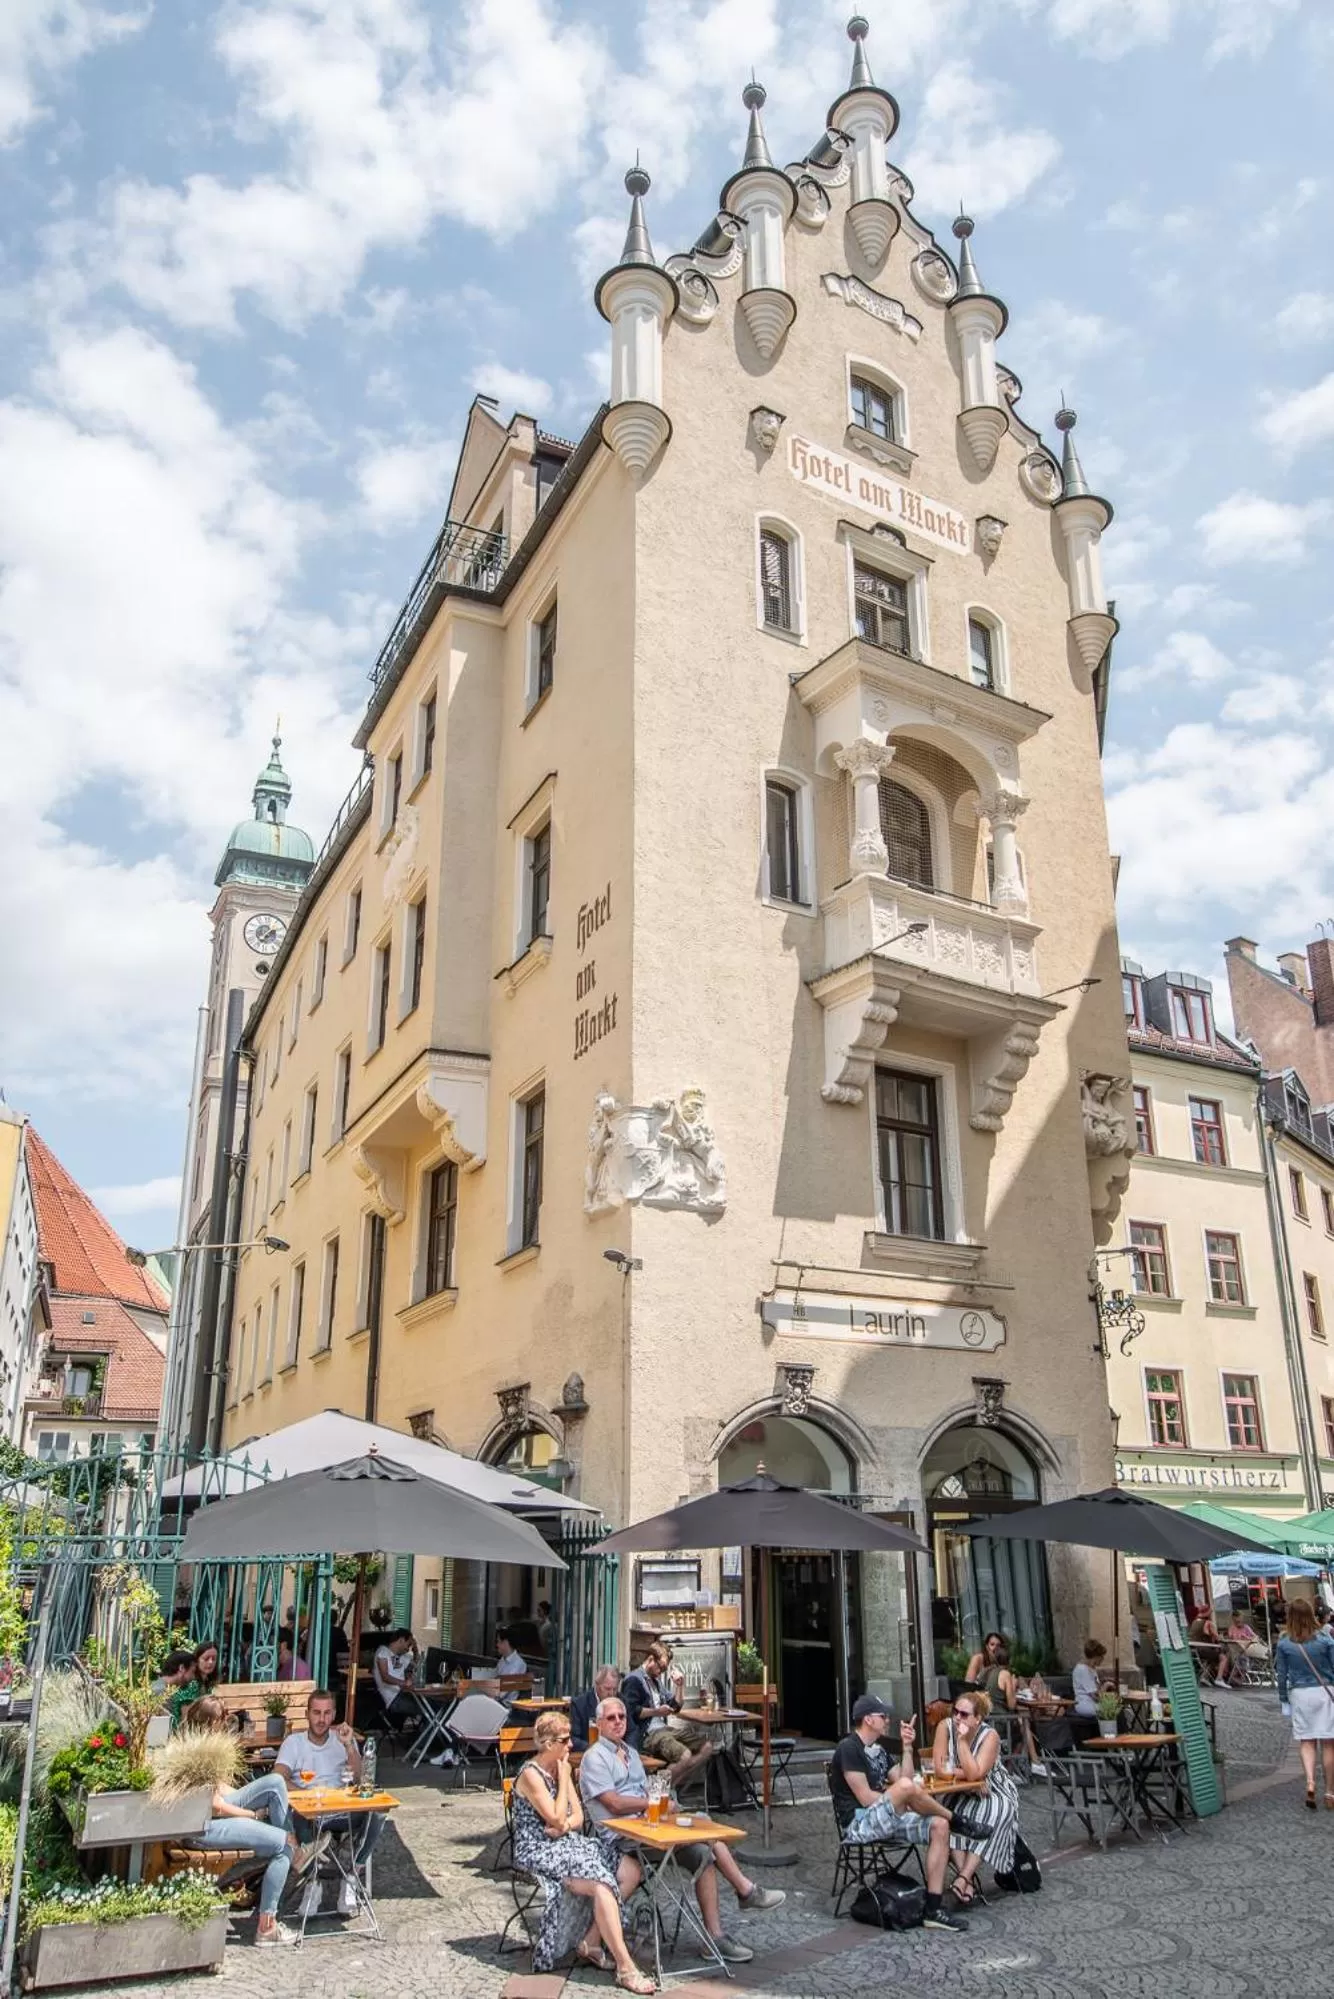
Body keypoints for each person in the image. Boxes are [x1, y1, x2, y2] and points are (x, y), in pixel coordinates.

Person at [580, 1694, 785, 1965]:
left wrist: (664, 1802)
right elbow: (614, 1804)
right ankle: (746, 1892)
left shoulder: (630, 1753)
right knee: (705, 1836)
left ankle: (715, 1938)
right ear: (599, 1723)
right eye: (611, 1718)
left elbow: (646, 1791)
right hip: (622, 1839)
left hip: (650, 1829)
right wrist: (655, 1802)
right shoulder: (594, 1758)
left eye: (621, 1717)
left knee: (703, 1851)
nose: (618, 1722)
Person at [512, 1709, 653, 1991]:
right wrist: (565, 1779)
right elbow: (554, 1816)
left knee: (630, 1870)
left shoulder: (558, 1767)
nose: (571, 1745)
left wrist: (563, 1825)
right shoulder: (531, 1774)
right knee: (602, 1884)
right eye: (564, 1740)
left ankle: (590, 1941)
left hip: (565, 1843)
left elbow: (577, 1818)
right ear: (549, 1744)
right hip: (538, 1849)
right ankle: (626, 1968)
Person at [185, 1696, 326, 1945]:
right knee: (282, 1845)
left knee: (275, 1782)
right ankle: (267, 1928)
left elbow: (221, 1790)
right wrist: (254, 1815)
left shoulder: (198, 1745)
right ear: (211, 1723)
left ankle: (291, 1847)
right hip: (204, 1826)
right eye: (221, 1720)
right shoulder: (198, 1754)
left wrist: (252, 1795)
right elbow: (216, 1805)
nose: (225, 1725)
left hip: (210, 1817)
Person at [827, 1694, 967, 1934]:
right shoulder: (848, 1748)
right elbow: (865, 1798)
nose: (888, 1719)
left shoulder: (879, 1750)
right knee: (905, 1789)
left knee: (939, 1825)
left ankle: (933, 1910)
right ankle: (959, 1819)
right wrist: (902, 1796)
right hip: (859, 1823)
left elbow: (905, 1778)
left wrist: (907, 1747)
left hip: (887, 1818)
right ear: (868, 1719)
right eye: (883, 1716)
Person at [276, 1687, 385, 1918]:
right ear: (307, 1714)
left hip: (341, 1810)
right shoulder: (294, 1743)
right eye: (316, 1713)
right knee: (297, 1815)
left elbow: (361, 1779)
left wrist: (348, 1745)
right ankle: (313, 1881)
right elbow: (278, 1779)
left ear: (334, 1714)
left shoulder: (342, 1740)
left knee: (377, 1812)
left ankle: (351, 1875)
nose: (321, 1719)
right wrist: (307, 1793)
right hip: (309, 1813)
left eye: (326, 1713)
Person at [929, 1690, 1018, 1904]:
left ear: (978, 1719)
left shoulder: (990, 1736)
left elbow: (977, 1773)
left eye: (964, 1714)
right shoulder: (944, 1727)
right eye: (955, 1712)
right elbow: (941, 1769)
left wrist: (961, 1744)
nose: (958, 1717)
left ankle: (963, 1878)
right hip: (961, 1789)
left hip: (994, 1790)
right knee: (955, 1819)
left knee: (993, 1814)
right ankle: (965, 1879)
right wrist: (969, 1777)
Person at [621, 1643, 712, 1782]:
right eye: (661, 1667)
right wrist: (656, 1712)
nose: (661, 1672)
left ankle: (667, 1787)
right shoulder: (634, 1679)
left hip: (664, 1730)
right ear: (651, 1659)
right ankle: (660, 1790)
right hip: (648, 1734)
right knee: (684, 1755)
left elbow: (675, 1706)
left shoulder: (656, 1682)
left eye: (665, 1669)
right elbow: (631, 1711)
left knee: (707, 1747)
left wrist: (680, 1685)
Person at [1276, 1598, 1334, 1809]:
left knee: (1307, 1742)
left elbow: (1281, 1674)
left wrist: (1283, 1698)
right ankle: (1330, 1792)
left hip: (1300, 1694)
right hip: (1325, 1693)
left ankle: (1310, 1782)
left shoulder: (1284, 1642)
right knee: (1329, 1743)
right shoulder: (1325, 1639)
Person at [169, 1640, 221, 1728]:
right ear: (197, 1660)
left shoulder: (207, 1683)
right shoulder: (191, 1684)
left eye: (214, 1659)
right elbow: (185, 1719)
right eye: (206, 1658)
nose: (210, 1662)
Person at [371, 1628, 417, 1722]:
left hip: (404, 1695)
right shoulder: (383, 1652)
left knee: (434, 1706)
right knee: (430, 1709)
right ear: (401, 1640)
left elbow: (418, 1665)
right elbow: (385, 1677)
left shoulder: (403, 1656)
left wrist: (415, 1649)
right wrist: (404, 1683)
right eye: (408, 1644)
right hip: (393, 1700)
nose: (408, 1649)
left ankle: (427, 1734)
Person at [571, 1666, 621, 1751]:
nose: (611, 1694)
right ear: (597, 1685)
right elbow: (574, 1739)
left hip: (617, 1753)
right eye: (607, 1689)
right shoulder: (579, 1704)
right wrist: (597, 1749)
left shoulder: (621, 1701)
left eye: (615, 1689)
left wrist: (628, 1749)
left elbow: (632, 1731)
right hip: (590, 1752)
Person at [1188, 1610, 1228, 1685]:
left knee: (1212, 1657)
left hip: (1193, 1650)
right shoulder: (1208, 1623)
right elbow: (1216, 1637)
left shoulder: (1194, 1622)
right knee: (1223, 1657)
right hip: (1202, 1649)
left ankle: (1204, 1676)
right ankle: (1219, 1679)